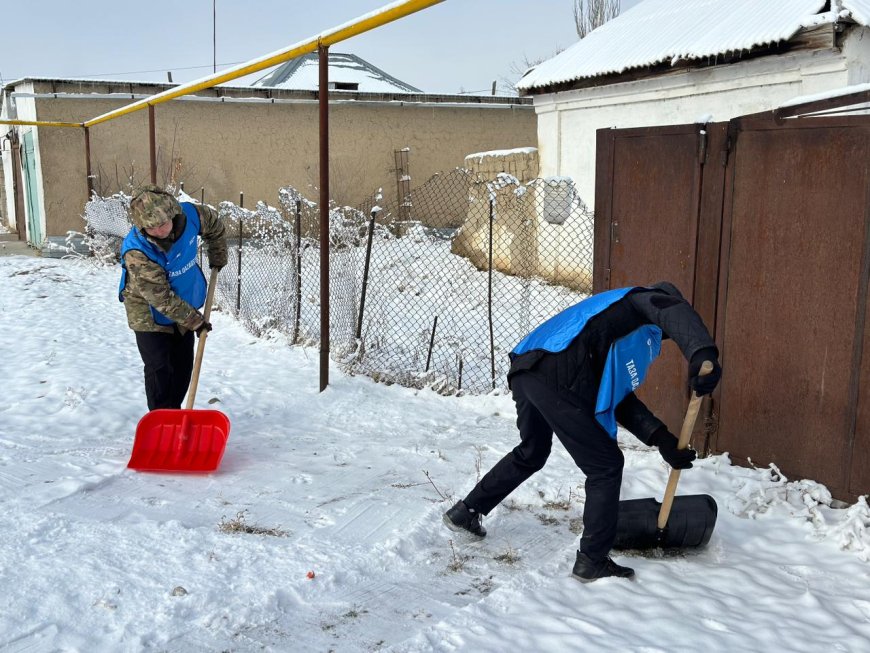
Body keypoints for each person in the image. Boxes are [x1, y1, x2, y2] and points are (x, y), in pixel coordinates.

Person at [443, 282, 721, 583]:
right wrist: (701, 352)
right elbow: (671, 310)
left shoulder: (608, 325)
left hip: (528, 370)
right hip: (556, 370)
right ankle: (592, 560)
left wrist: (661, 438)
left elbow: (619, 398)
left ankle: (466, 511)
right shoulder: (638, 302)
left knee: (532, 452)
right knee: (605, 466)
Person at [118, 184, 227, 411]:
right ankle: (161, 417)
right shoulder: (136, 252)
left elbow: (214, 226)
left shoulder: (192, 215)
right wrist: (195, 320)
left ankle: (175, 412)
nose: (159, 231)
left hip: (183, 298)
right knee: (159, 368)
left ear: (172, 213)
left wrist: (217, 252)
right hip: (147, 311)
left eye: (163, 223)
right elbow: (161, 299)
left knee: (182, 366)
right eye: (151, 227)